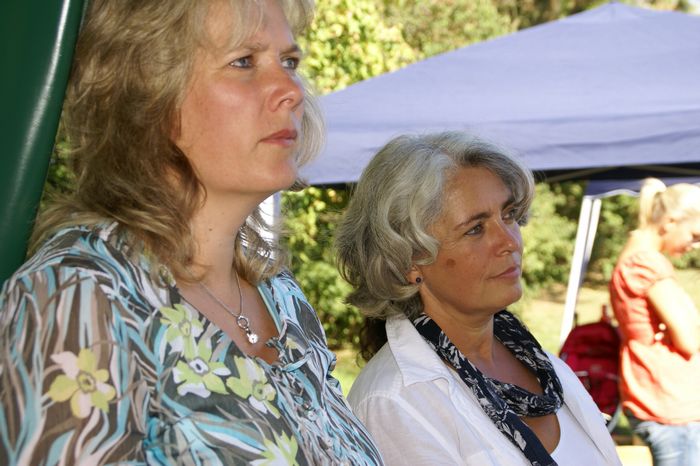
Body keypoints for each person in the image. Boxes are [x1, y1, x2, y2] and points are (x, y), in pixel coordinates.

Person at [0, 0, 383, 464]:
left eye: (289, 62)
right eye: (244, 62)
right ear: (148, 96)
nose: (292, 90)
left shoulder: (281, 296)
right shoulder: (77, 297)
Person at [335, 131, 621, 465]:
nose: (510, 241)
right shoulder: (394, 401)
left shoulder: (541, 363)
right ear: (409, 260)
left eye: (509, 215)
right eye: (475, 229)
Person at [609, 178, 700, 466]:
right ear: (670, 221)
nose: (695, 245)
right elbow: (690, 339)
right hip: (669, 400)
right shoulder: (645, 263)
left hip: (657, 394)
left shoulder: (637, 257)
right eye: (695, 235)